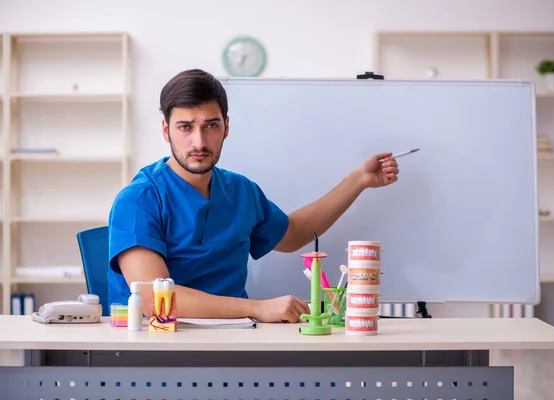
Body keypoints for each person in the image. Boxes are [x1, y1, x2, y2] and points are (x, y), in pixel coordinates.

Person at [107, 69, 399, 323]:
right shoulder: (138, 200)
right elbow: (154, 299)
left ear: (227, 127)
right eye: (185, 127)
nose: (199, 141)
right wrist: (257, 308)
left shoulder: (240, 191)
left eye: (211, 126)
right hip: (158, 347)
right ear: (166, 131)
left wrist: (359, 180)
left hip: (237, 340)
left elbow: (294, 233)